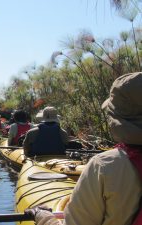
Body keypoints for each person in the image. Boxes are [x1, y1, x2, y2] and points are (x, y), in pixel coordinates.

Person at [25, 72, 142, 225]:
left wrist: (42, 216)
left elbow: (26, 148)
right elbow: (66, 143)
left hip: (38, 159)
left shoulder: (105, 165)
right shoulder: (63, 132)